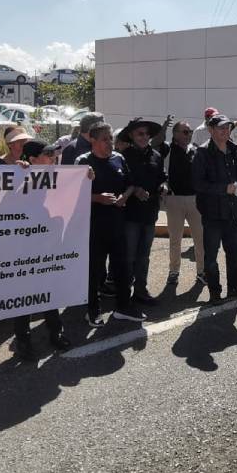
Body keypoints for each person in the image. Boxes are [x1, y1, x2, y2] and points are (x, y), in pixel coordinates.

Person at [1, 138, 72, 358]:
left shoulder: (55, 176)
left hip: (45, 245)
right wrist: (19, 171)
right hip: (23, 247)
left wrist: (86, 176)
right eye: (47, 155)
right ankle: (23, 339)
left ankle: (55, 332)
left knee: (47, 291)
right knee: (23, 296)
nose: (52, 158)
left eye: (53, 155)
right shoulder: (19, 176)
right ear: (32, 159)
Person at [75, 123, 144, 325]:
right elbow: (72, 195)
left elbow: (130, 183)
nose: (109, 143)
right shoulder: (83, 162)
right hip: (94, 226)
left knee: (122, 267)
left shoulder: (119, 158)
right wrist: (97, 198)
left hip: (117, 224)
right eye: (105, 139)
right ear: (93, 141)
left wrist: (125, 196)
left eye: (111, 138)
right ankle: (93, 310)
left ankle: (123, 307)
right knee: (95, 271)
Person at [192, 114, 237, 303]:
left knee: (235, 254)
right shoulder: (202, 152)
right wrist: (224, 189)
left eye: (227, 128)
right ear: (210, 130)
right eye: (221, 128)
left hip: (233, 212)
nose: (225, 131)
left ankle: (234, 288)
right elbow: (198, 184)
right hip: (212, 213)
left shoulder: (234, 150)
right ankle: (215, 292)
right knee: (211, 256)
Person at [119, 118, 166, 306]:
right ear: (131, 135)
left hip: (150, 213)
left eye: (146, 134)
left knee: (144, 255)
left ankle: (140, 290)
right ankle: (124, 293)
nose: (144, 137)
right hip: (130, 215)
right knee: (129, 255)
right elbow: (119, 182)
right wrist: (135, 190)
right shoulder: (123, 156)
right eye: (140, 133)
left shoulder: (156, 155)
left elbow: (162, 178)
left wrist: (163, 187)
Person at [160, 120, 204, 287]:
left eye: (190, 131)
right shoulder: (167, 149)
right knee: (175, 239)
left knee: (200, 238)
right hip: (175, 200)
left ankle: (201, 271)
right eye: (185, 132)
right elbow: (156, 143)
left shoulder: (195, 150)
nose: (189, 135)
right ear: (175, 134)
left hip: (194, 200)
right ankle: (174, 271)